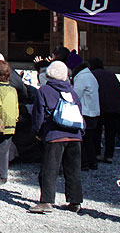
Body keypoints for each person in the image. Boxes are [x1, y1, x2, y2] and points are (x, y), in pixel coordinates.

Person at [29, 60, 84, 214]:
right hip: (74, 135)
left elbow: (38, 114)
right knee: (73, 170)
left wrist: (38, 132)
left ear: (49, 74)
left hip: (55, 135)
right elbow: (80, 111)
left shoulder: (44, 90)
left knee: (50, 169)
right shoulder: (72, 91)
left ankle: (46, 201)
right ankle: (75, 202)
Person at [90, 57, 120, 164]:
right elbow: (119, 89)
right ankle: (109, 155)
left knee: (96, 132)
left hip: (99, 107)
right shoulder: (111, 74)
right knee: (110, 134)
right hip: (114, 107)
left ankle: (97, 154)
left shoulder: (92, 75)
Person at [71, 57, 101, 171]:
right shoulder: (90, 76)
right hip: (93, 111)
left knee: (83, 140)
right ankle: (92, 162)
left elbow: (75, 96)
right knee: (90, 140)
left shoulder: (81, 77)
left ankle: (84, 163)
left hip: (85, 112)